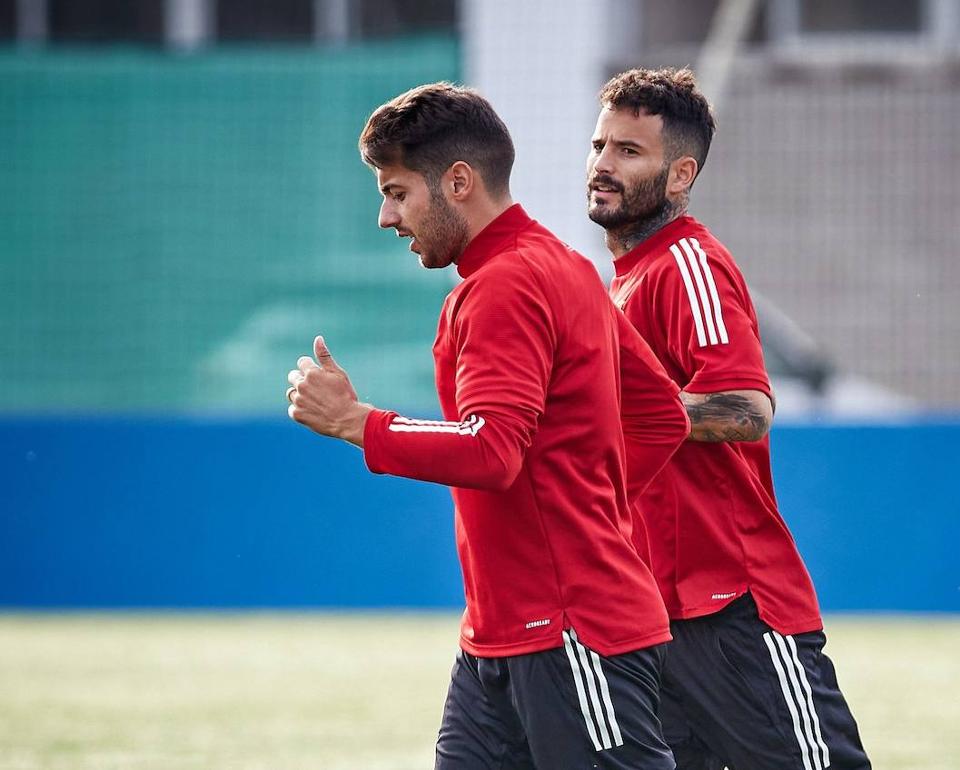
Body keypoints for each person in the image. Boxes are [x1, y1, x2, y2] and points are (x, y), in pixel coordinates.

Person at [285, 82, 690, 770]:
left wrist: (359, 423)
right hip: (504, 640)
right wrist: (587, 512)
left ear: (459, 182)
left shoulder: (501, 284)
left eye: (398, 192)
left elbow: (492, 449)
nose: (387, 216)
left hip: (571, 634)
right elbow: (660, 415)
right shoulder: (565, 266)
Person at [586, 67, 872, 770]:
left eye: (628, 151)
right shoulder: (623, 282)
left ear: (680, 175)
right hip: (655, 613)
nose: (601, 165)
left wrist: (601, 409)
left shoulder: (687, 264)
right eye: (599, 146)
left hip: (733, 608)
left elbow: (746, 411)